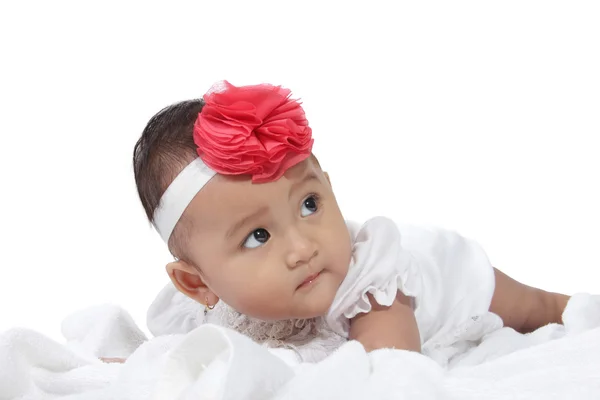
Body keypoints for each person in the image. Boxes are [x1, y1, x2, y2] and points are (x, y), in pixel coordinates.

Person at [131, 81, 570, 364]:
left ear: (329, 187)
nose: (303, 247)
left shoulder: (372, 291)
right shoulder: (207, 314)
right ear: (198, 285)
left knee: (541, 308)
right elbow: (176, 362)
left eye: (309, 204)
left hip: (447, 276)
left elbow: (390, 374)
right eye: (257, 236)